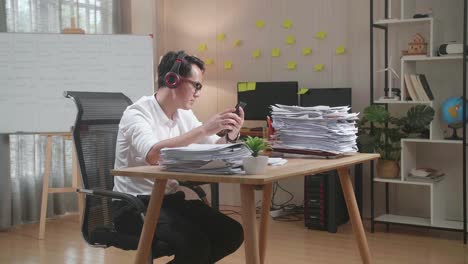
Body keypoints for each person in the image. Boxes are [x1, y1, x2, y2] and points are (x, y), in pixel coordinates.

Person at [112, 50, 245, 264]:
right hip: (134, 207)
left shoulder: (184, 114)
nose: (198, 93)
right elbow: (153, 155)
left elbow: (213, 146)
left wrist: (230, 134)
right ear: (172, 80)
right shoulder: (136, 113)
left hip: (169, 201)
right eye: (196, 85)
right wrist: (203, 129)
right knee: (195, 243)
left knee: (231, 233)